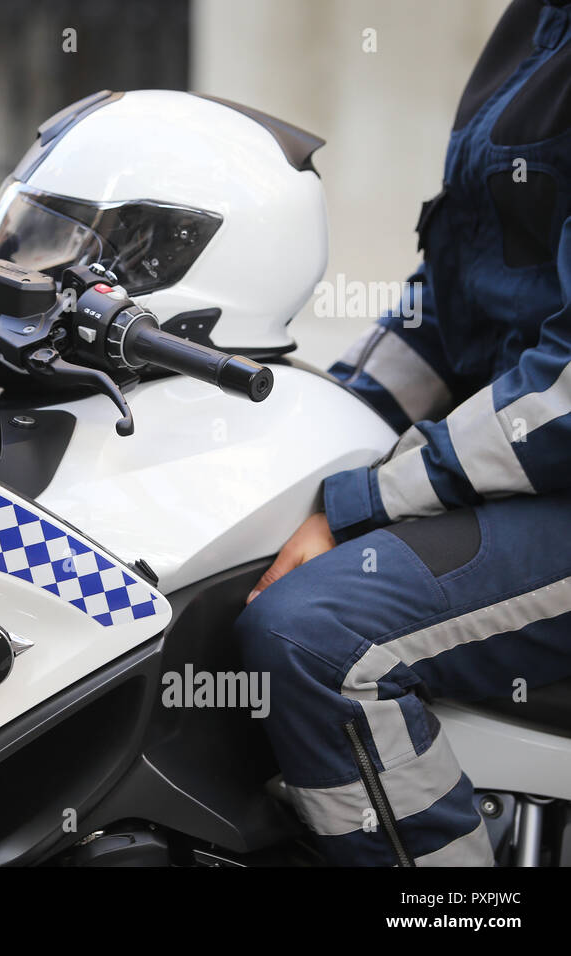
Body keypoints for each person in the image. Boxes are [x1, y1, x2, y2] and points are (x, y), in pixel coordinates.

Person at [235, 0, 571, 866]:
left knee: (316, 638)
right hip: (529, 465)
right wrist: (308, 429)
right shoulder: (535, 23)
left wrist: (354, 505)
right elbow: (452, 304)